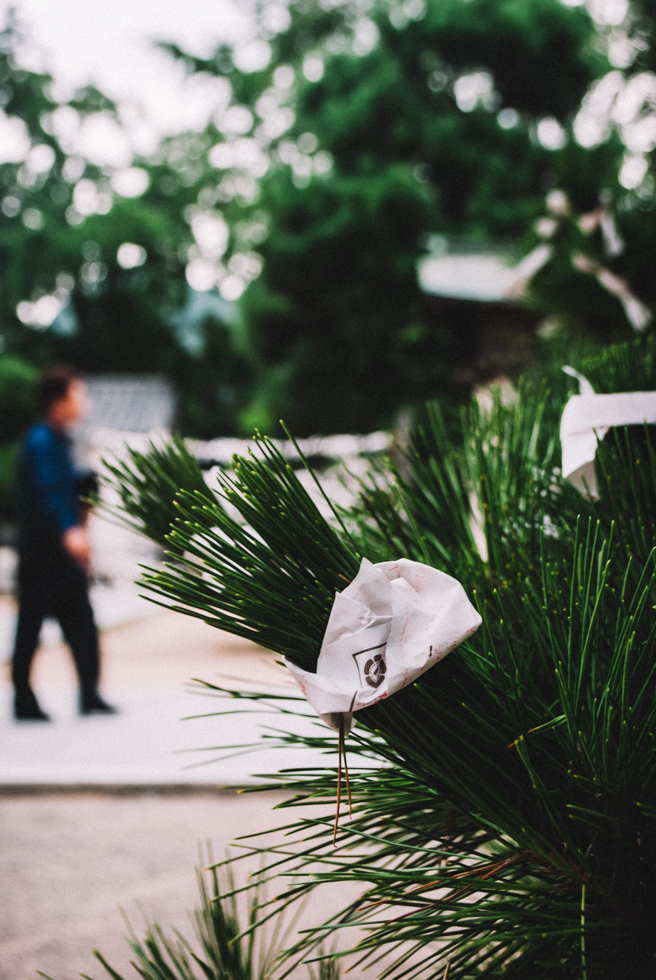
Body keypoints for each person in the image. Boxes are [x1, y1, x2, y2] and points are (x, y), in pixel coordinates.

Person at [11, 365, 116, 721]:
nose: (83, 402)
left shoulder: (62, 440)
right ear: (58, 401)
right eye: (77, 394)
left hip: (60, 547)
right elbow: (48, 493)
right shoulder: (42, 441)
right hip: (44, 547)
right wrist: (70, 530)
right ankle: (24, 698)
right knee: (32, 623)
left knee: (79, 620)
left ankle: (89, 693)